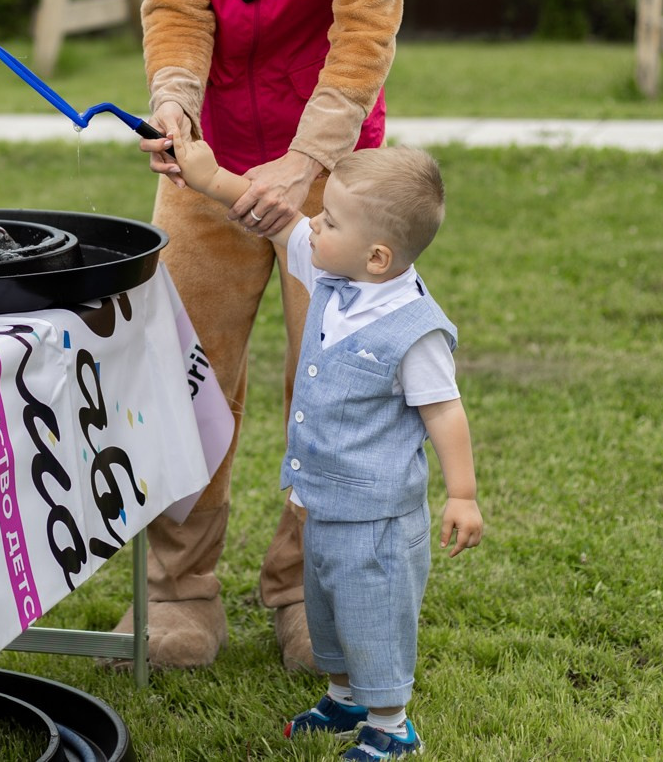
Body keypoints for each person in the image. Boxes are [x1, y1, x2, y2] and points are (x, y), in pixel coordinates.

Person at [124, 0, 429, 670]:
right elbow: (176, 8)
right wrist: (173, 103)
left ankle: (306, 590)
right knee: (190, 378)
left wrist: (301, 165)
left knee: (332, 390)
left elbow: (361, 34)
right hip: (204, 174)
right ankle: (178, 587)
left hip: (331, 175)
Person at [169, 136, 481, 759]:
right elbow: (280, 222)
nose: (314, 223)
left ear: (378, 255)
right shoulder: (337, 269)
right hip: (323, 502)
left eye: (330, 220)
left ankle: (391, 726)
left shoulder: (413, 332)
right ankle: (343, 698)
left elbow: (444, 410)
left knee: (373, 617)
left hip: (378, 521)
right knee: (328, 608)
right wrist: (209, 177)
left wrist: (463, 495)